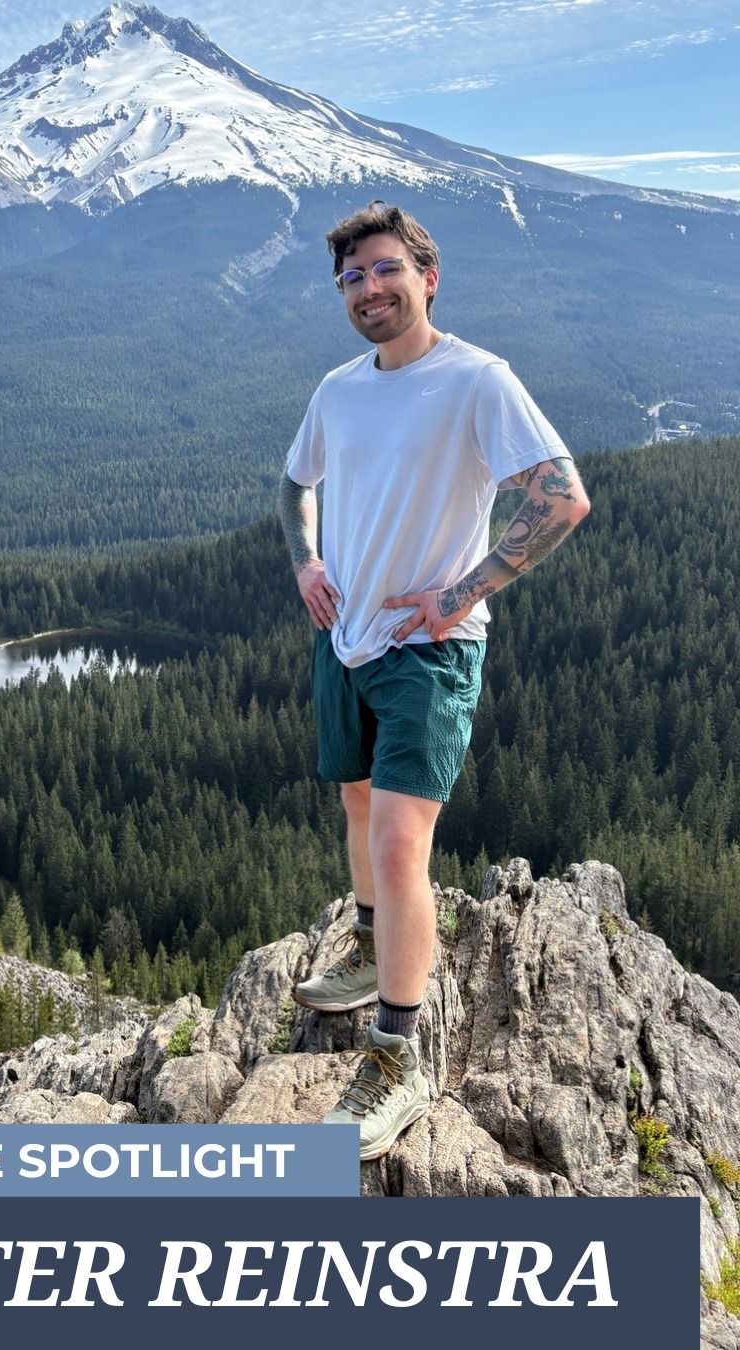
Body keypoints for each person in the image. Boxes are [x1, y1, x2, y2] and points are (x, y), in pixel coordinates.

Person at [278, 201, 590, 1161]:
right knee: (357, 807)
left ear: (427, 275)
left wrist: (463, 594)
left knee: (403, 838)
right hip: (352, 637)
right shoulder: (339, 389)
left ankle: (396, 1054)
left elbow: (561, 495)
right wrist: (308, 564)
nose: (369, 290)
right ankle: (371, 948)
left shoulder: (476, 380)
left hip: (429, 649)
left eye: (384, 271)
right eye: (352, 279)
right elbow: (297, 484)